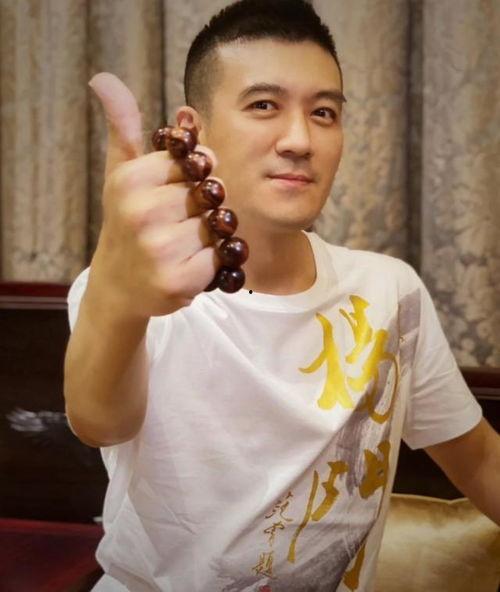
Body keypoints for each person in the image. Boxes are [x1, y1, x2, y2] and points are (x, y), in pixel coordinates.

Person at [64, 1, 500, 590]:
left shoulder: (387, 290)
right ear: (193, 130)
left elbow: (479, 459)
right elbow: (99, 422)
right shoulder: (132, 290)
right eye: (264, 105)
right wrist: (119, 303)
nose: (299, 140)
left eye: (324, 113)